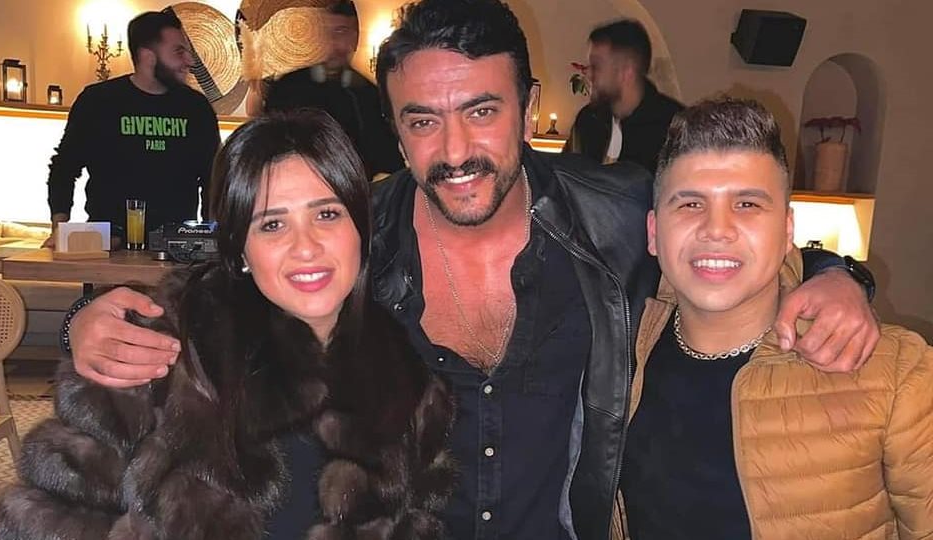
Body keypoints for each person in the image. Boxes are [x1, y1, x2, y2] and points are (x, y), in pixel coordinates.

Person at [62, 1, 880, 539]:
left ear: (527, 106)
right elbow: (232, 293)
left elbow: (723, 246)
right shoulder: (356, 238)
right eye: (423, 122)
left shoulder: (616, 214)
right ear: (396, 128)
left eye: (482, 112)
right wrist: (87, 323)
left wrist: (838, 276)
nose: (454, 152)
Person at [0, 110, 455, 539]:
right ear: (241, 249)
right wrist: (81, 320)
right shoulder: (164, 350)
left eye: (327, 214)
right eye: (272, 225)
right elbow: (52, 520)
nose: (306, 246)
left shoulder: (404, 375)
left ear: (361, 227)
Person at [615, 97, 933, 539]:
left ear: (787, 231)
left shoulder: (898, 372)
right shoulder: (616, 357)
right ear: (653, 232)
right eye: (690, 205)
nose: (717, 229)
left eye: (747, 204)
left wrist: (840, 274)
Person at [45, 11, 221, 248]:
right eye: (179, 52)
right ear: (148, 57)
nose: (189, 61)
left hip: (176, 248)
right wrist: (59, 230)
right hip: (107, 244)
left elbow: (214, 178)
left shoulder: (197, 108)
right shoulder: (98, 101)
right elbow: (64, 167)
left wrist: (211, 239)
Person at [262, 0, 403, 180]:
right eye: (326, 32)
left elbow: (390, 161)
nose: (333, 42)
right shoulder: (287, 88)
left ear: (354, 37)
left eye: (340, 32)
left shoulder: (370, 95)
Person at [563, 19, 683, 175]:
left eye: (597, 66)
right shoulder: (587, 121)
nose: (589, 74)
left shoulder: (673, 129)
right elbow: (562, 179)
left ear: (627, 72)